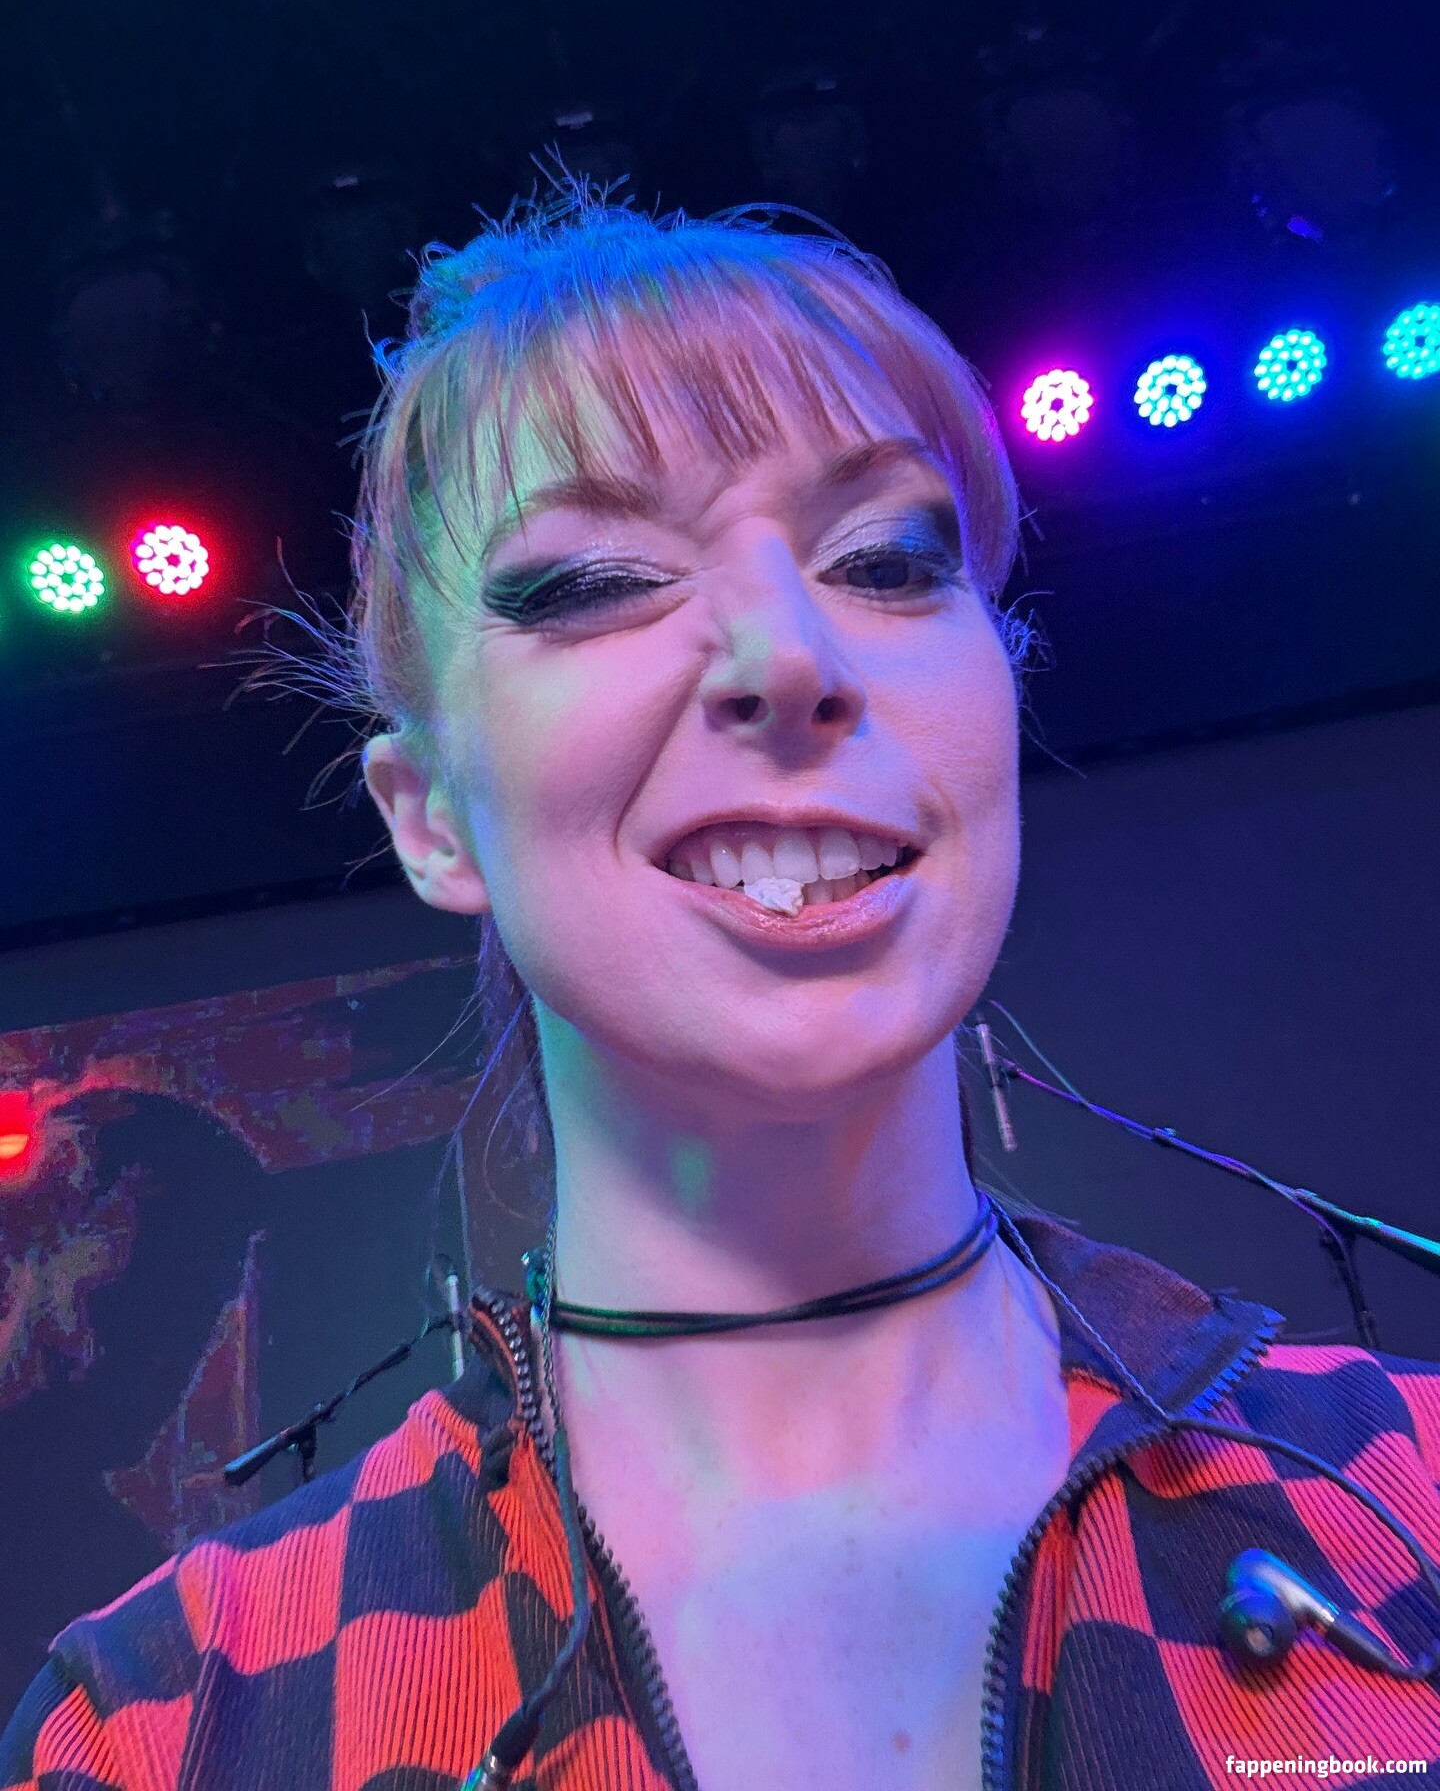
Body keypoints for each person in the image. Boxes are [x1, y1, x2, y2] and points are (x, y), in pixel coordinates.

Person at [4, 191, 1440, 1791]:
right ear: (429, 817)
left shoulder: (1412, 1506)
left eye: (888, 559)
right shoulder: (170, 1723)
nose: (789, 653)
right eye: (594, 580)